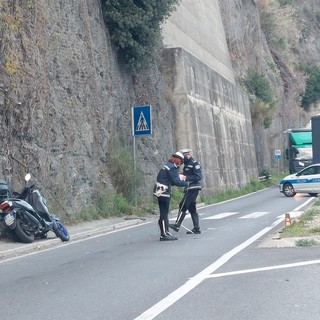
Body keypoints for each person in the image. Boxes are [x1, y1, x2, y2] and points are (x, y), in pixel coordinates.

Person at [153, 151, 189, 241]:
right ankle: (163, 234)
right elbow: (176, 182)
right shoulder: (172, 167)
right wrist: (186, 183)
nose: (180, 164)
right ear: (178, 161)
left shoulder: (167, 165)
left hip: (159, 191)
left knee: (164, 213)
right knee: (164, 213)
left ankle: (166, 231)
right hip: (164, 192)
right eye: (180, 162)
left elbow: (171, 180)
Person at [169, 149, 202, 234]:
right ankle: (197, 228)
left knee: (183, 205)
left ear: (188, 155)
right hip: (189, 188)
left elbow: (198, 177)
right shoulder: (187, 164)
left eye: (183, 157)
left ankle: (177, 225)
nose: (182, 160)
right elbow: (187, 174)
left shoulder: (195, 163)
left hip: (193, 188)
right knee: (192, 208)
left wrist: (185, 177)